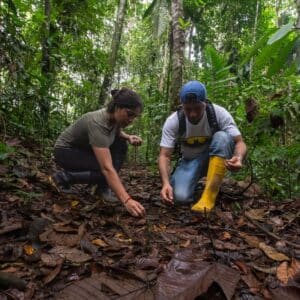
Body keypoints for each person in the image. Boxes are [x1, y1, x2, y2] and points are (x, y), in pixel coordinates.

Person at [52, 87, 146, 218]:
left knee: (121, 144)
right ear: (117, 107)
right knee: (106, 171)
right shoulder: (98, 123)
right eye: (129, 114)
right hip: (65, 152)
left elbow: (116, 132)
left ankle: (102, 188)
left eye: (135, 116)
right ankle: (63, 177)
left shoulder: (115, 119)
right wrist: (127, 200)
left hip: (83, 150)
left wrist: (128, 137)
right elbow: (107, 168)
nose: (131, 120)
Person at [158, 80, 247, 212]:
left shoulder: (219, 113)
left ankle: (208, 197)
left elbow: (240, 142)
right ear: (182, 106)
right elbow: (164, 155)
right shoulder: (174, 121)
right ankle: (193, 182)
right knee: (179, 197)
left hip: (215, 157)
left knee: (222, 137)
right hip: (189, 161)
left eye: (197, 108)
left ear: (205, 104)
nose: (193, 114)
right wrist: (165, 183)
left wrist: (238, 157)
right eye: (188, 109)